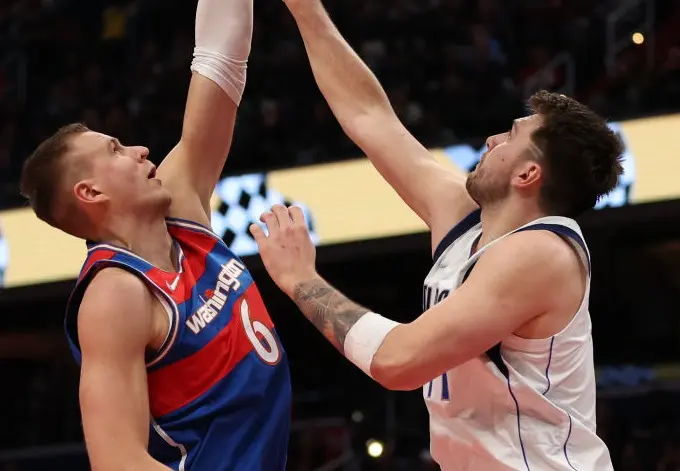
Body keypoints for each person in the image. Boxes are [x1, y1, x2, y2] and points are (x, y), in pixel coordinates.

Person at [247, 0, 624, 470]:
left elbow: (398, 361)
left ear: (528, 174)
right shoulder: (466, 217)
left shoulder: (542, 253)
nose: (491, 140)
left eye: (510, 135)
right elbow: (369, 117)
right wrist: (306, 10)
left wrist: (300, 279)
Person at [18, 0, 290, 469]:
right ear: (91, 190)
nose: (141, 150)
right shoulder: (115, 294)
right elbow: (117, 459)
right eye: (116, 149)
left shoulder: (182, 202)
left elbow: (219, 58)